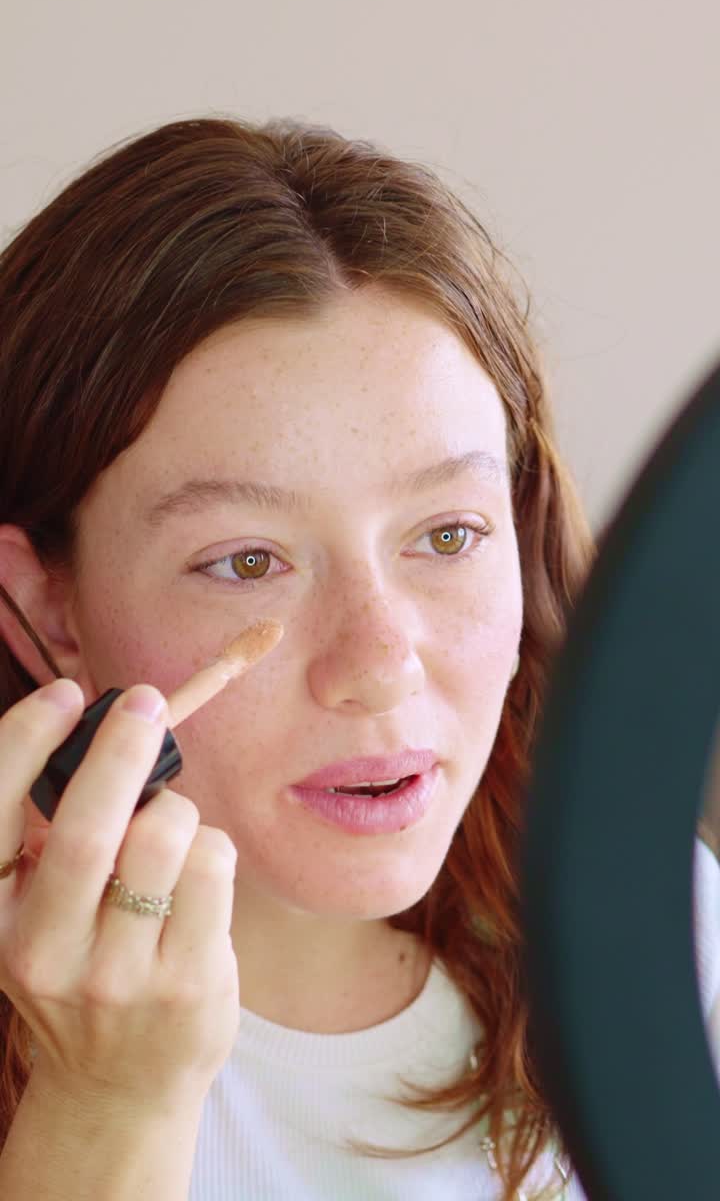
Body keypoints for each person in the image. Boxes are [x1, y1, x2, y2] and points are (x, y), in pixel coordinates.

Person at [0, 116, 716, 1201]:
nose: (380, 663)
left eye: (448, 534)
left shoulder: (661, 932)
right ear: (45, 604)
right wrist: (104, 1113)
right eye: (247, 560)